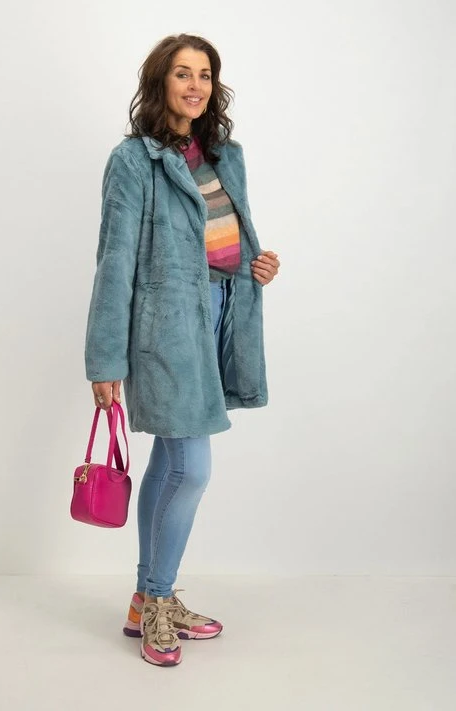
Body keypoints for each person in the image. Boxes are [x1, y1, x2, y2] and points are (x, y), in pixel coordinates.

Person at [84, 33, 280, 667]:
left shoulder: (225, 155)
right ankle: (158, 601)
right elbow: (114, 262)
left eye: (205, 74)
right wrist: (105, 360)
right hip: (166, 328)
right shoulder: (133, 161)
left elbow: (227, 237)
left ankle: (146, 601)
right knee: (191, 470)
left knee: (171, 464)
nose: (195, 86)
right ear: (159, 82)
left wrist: (257, 263)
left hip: (222, 317)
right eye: (182, 74)